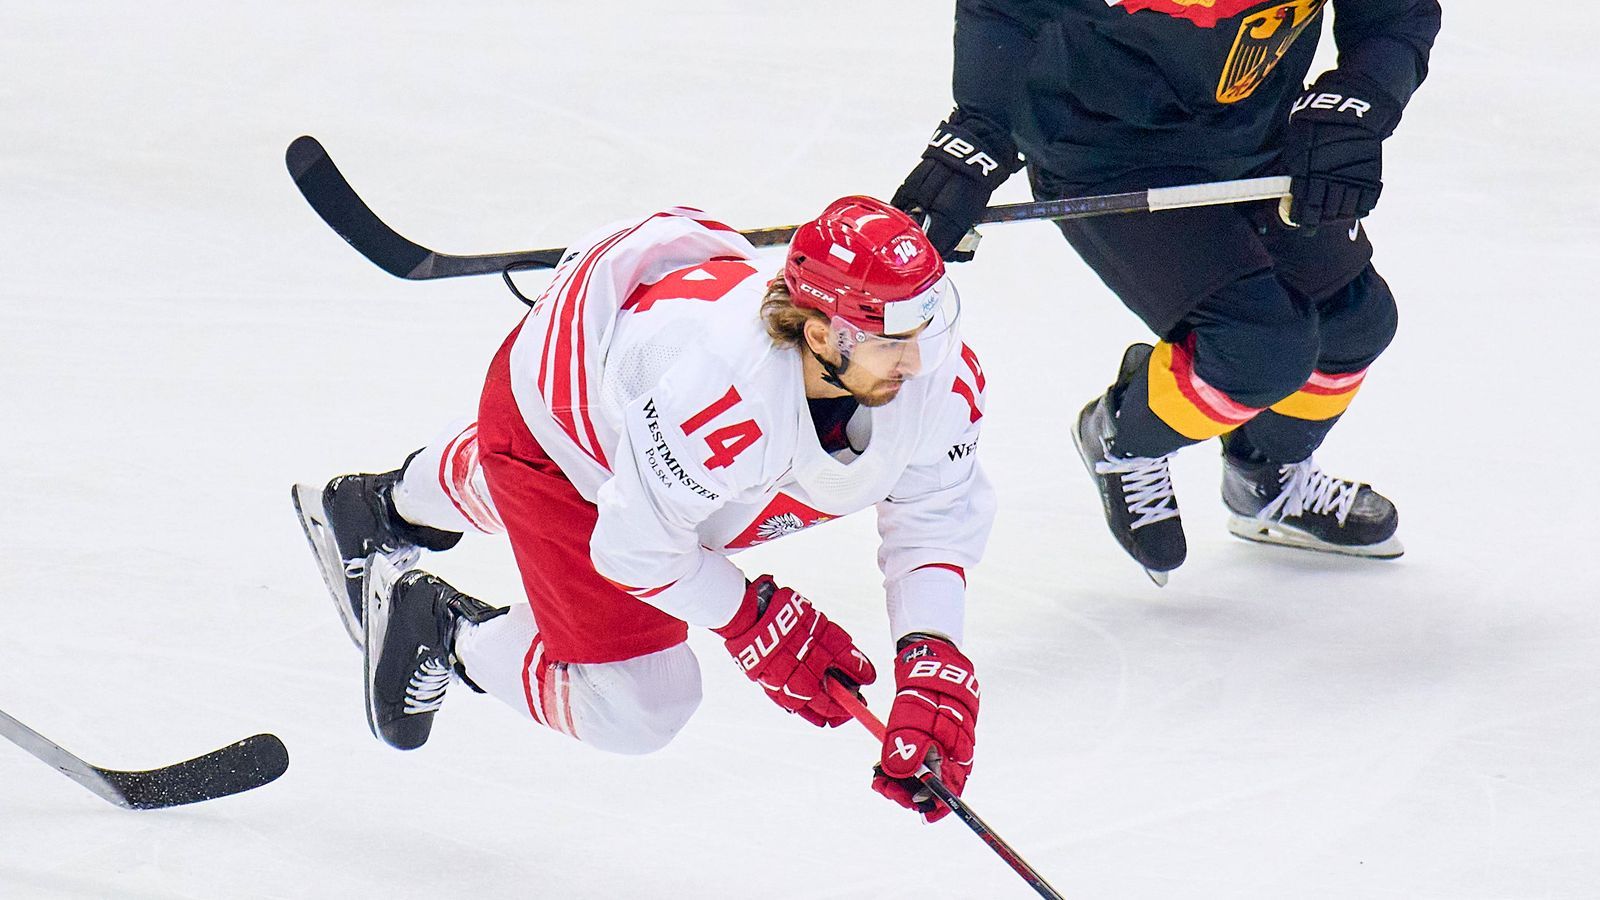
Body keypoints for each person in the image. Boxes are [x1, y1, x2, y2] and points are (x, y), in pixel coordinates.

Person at [292, 196, 994, 821]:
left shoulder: (934, 374)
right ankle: (441, 628)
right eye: (892, 340)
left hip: (630, 375)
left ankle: (380, 507)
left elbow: (933, 512)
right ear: (819, 336)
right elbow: (635, 551)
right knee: (641, 704)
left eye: (926, 325)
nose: (918, 361)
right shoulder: (721, 402)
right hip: (553, 420)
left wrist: (931, 654)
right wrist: (751, 620)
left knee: (697, 496)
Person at [890, 0, 1440, 583]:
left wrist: (1356, 103)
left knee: (1355, 321)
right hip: (1106, 153)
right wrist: (979, 134)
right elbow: (1004, 10)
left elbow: (1395, 12)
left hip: (1258, 131)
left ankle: (1267, 481)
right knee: (1261, 349)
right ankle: (1123, 435)